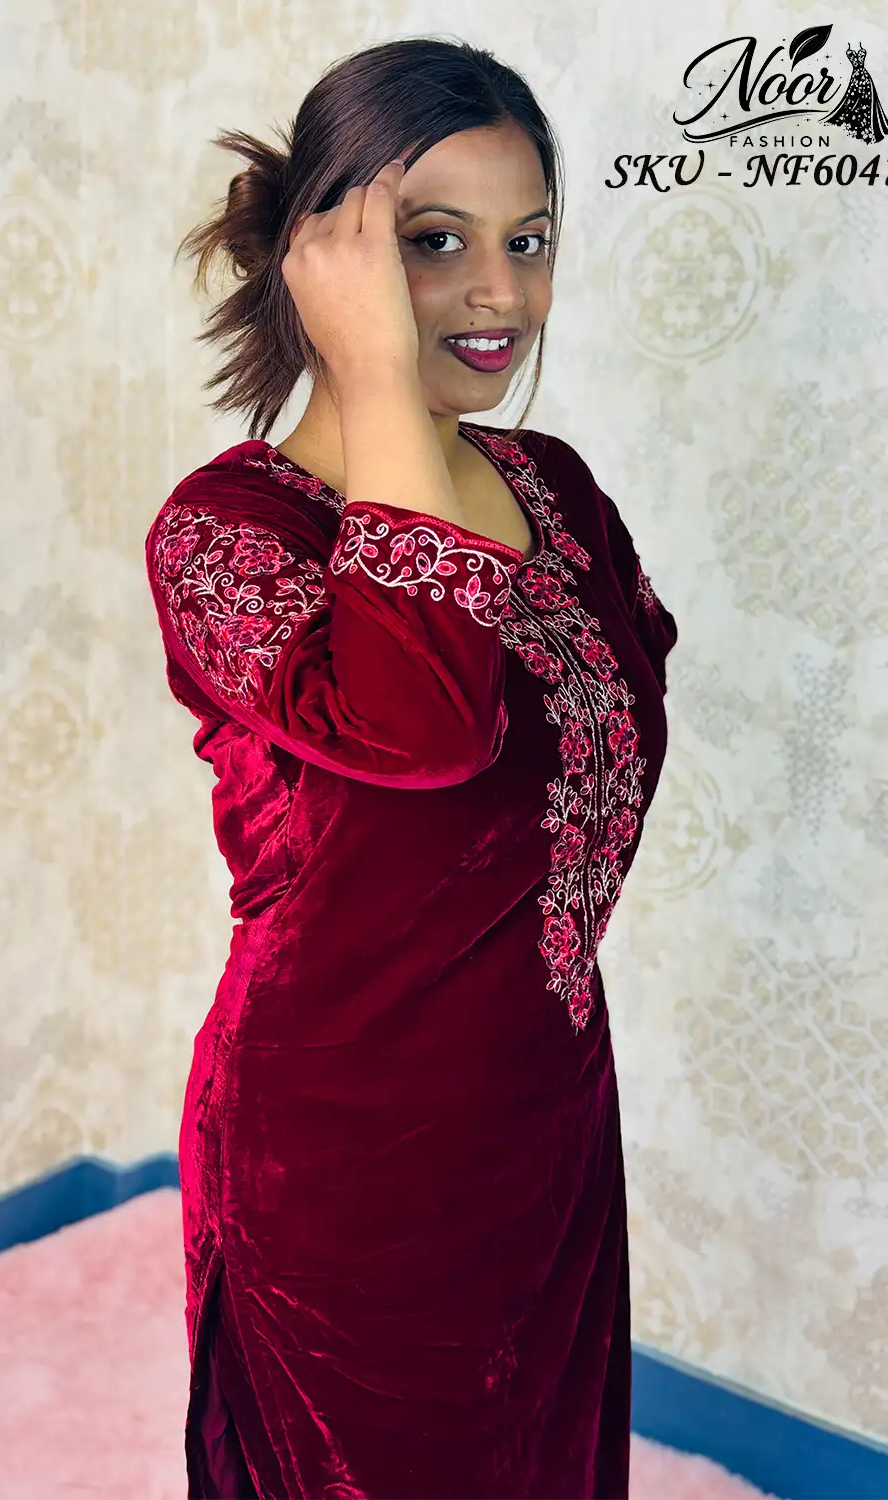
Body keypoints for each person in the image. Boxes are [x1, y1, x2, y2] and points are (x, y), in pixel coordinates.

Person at [145, 36, 678, 1500]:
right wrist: (378, 376)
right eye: (435, 244)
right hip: (340, 1149)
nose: (502, 294)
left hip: (546, 1105)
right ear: (325, 261)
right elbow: (424, 729)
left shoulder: (553, 487)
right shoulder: (228, 533)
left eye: (530, 241)